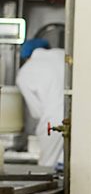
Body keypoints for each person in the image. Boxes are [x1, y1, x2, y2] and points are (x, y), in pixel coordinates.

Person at [16, 38, 65, 167]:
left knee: (48, 167)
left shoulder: (25, 72)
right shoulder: (64, 55)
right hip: (85, 120)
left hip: (52, 124)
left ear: (26, 57)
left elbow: (36, 111)